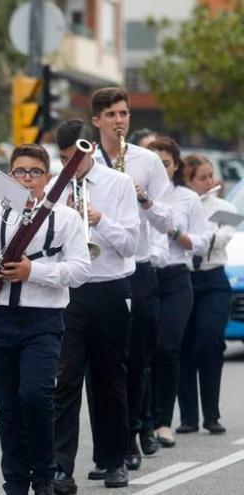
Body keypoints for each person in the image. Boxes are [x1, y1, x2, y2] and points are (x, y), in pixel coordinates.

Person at [0, 144, 90, 495]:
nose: (27, 179)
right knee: (8, 410)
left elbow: (81, 270)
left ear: (48, 178)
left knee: (37, 398)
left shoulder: (66, 218)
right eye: (20, 172)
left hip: (44, 320)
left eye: (35, 173)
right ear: (10, 177)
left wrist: (31, 271)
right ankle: (15, 483)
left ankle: (44, 477)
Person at [52, 119, 141, 492]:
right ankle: (61, 467)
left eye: (75, 158)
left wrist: (99, 219)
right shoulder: (56, 184)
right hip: (70, 291)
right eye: (64, 159)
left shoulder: (118, 184)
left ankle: (113, 459)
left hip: (108, 286)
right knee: (66, 380)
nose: (70, 166)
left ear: (89, 149)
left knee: (109, 379)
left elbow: (131, 245)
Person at [89, 88, 172, 464]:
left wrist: (145, 201)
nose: (119, 121)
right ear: (96, 121)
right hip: (95, 270)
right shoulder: (86, 158)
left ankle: (134, 431)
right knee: (100, 365)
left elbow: (169, 220)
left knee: (136, 358)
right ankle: (110, 445)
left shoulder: (147, 161)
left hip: (136, 268)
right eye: (110, 115)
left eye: (123, 113)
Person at [146, 138, 208, 448]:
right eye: (155, 164)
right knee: (142, 351)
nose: (161, 169)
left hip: (175, 277)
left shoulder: (186, 198)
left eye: (166, 164)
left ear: (175, 165)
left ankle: (162, 421)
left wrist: (174, 232)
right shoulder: (135, 193)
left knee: (167, 347)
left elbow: (200, 242)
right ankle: (143, 419)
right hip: (145, 276)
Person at [178, 154, 234, 435]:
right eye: (203, 177)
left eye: (211, 175)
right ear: (188, 180)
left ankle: (211, 414)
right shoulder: (180, 205)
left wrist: (196, 237)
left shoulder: (224, 206)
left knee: (210, 341)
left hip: (213, 279)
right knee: (183, 345)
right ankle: (188, 417)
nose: (211, 181)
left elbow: (224, 236)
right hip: (185, 279)